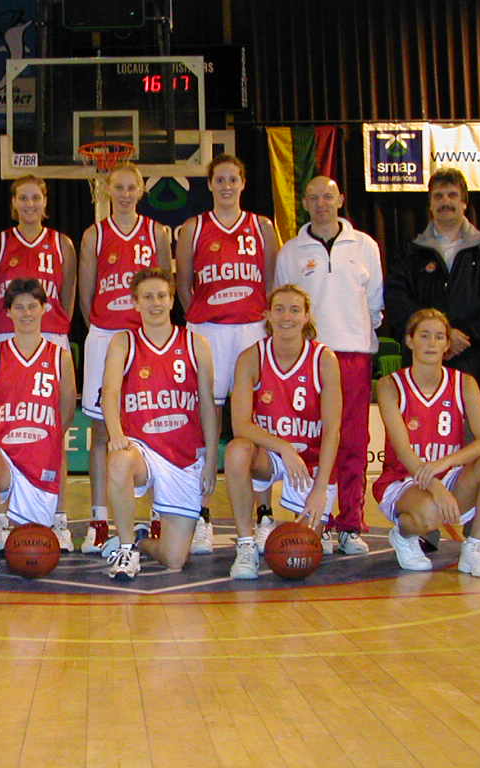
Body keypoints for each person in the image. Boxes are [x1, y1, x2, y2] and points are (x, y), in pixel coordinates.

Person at [385, 167, 480, 558]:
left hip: (475, 361)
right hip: (426, 363)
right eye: (438, 197)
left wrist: (462, 336)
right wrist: (433, 337)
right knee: (426, 441)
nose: (445, 203)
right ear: (429, 203)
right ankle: (428, 529)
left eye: (452, 197)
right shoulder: (411, 251)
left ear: (464, 202)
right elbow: (398, 300)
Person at [175, 154, 281, 553]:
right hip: (208, 329)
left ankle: (264, 513)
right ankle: (201, 513)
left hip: (252, 328)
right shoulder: (193, 228)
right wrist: (203, 319)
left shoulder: (263, 227)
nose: (226, 185)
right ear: (210, 183)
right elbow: (184, 285)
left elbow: (271, 282)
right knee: (205, 419)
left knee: (256, 419)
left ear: (243, 182)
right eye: (219, 179)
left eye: (232, 179)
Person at [274, 176, 382, 555]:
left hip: (353, 355)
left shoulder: (365, 246)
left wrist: (353, 334)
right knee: (316, 445)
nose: (321, 203)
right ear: (304, 202)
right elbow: (283, 307)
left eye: (328, 196)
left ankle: (350, 523)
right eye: (314, 197)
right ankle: (314, 521)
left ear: (340, 199)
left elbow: (375, 304)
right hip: (310, 358)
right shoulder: (290, 251)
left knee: (353, 442)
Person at [98, 268, 217, 580]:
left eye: (161, 296)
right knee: (120, 462)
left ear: (171, 299)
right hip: (143, 448)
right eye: (147, 297)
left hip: (184, 454)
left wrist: (211, 459)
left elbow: (207, 404)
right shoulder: (124, 342)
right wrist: (116, 434)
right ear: (135, 303)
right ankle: (125, 548)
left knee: (175, 559)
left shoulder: (196, 343)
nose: (155, 303)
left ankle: (141, 542)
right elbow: (110, 392)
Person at [77, 163, 171, 555]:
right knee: (102, 432)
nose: (126, 193)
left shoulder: (157, 232)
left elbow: (167, 286)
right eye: (119, 187)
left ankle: (156, 517)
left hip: (146, 337)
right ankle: (100, 520)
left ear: (142, 190)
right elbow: (85, 295)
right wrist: (102, 327)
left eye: (132, 187)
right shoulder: (93, 235)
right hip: (105, 333)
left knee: (151, 424)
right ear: (107, 190)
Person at [373, 309, 480, 577]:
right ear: (410, 341)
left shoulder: (464, 383)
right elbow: (404, 453)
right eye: (424, 335)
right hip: (405, 479)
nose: (432, 343)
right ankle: (403, 535)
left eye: (438, 337)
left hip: (449, 474)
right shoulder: (390, 385)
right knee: (429, 513)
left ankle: (474, 548)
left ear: (447, 344)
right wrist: (435, 487)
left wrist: (444, 464)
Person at [0, 175, 77, 552]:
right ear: (13, 203)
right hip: (3, 338)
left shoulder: (62, 244)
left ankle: (59, 516)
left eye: (35, 197)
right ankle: (5, 515)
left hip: (50, 336)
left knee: (55, 430)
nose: (29, 204)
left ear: (45, 201)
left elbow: (67, 295)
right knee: (4, 427)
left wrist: (57, 327)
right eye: (22, 198)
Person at [225, 284, 342, 580]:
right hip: (271, 455)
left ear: (306, 317)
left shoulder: (324, 359)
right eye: (279, 309)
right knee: (238, 449)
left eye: (294, 310)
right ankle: (246, 544)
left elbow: (332, 431)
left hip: (311, 459)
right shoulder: (251, 357)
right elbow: (240, 425)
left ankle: (321, 524)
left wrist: (319, 490)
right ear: (267, 315)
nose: (286, 316)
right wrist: (285, 448)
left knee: (302, 546)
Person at [0, 278, 76, 582]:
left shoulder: (60, 356)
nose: (26, 313)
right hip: (4, 458)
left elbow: (65, 413)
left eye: (32, 306)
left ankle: (55, 519)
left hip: (40, 464)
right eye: (19, 307)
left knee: (36, 541)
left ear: (44, 308)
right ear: (9, 313)